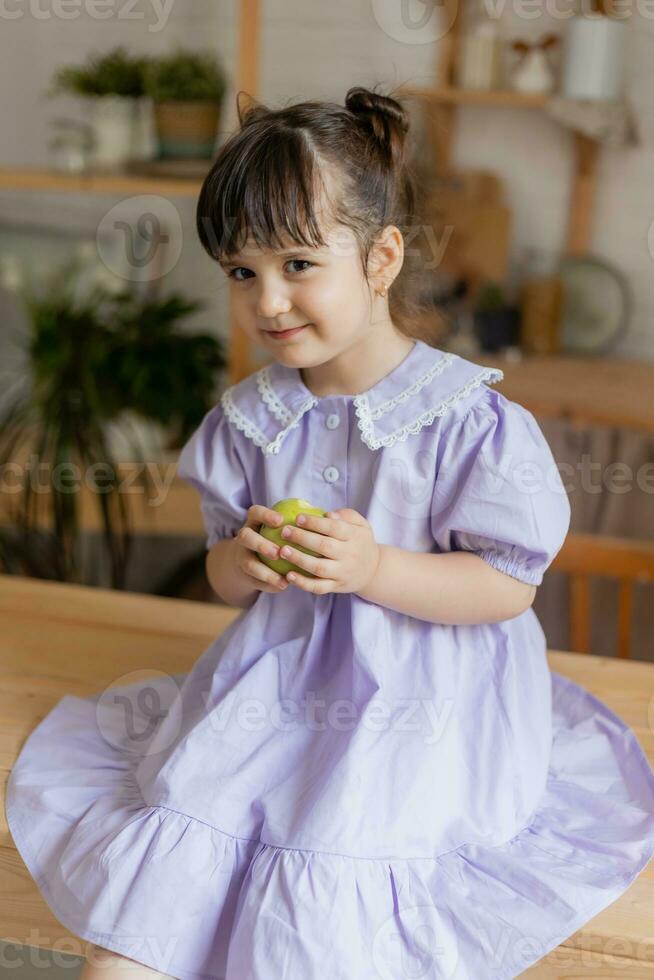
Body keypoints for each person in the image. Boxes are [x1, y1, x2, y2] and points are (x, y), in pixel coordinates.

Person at [6, 85, 654, 980]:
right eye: (241, 272)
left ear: (382, 257)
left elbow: (508, 586)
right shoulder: (252, 416)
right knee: (136, 932)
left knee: (320, 904)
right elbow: (222, 572)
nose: (268, 301)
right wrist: (243, 562)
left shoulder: (463, 421)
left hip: (422, 701)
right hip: (275, 686)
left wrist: (377, 566)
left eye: (299, 264)